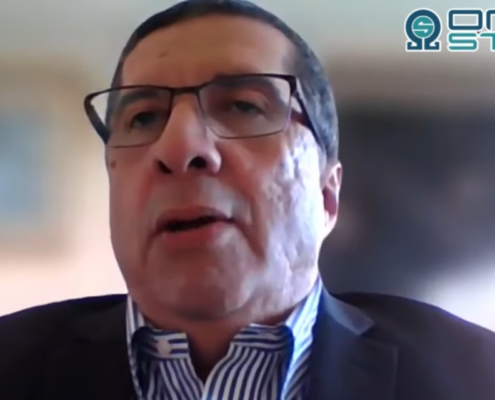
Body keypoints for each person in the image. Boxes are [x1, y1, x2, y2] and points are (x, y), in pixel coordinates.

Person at [1, 1, 494, 399]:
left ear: (327, 194)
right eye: (144, 117)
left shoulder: (474, 378)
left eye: (242, 106)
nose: (179, 148)